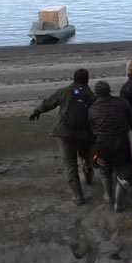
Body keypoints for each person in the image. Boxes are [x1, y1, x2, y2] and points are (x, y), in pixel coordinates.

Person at [29, 69, 96, 205]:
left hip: (65, 134)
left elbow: (49, 103)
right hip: (85, 135)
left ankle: (78, 196)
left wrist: (37, 111)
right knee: (86, 159)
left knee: (70, 164)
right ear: (87, 80)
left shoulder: (64, 91)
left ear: (74, 79)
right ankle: (89, 177)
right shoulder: (92, 96)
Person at [88, 81, 132, 212]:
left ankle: (108, 195)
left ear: (96, 94)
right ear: (109, 90)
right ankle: (119, 203)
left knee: (104, 170)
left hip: (102, 144)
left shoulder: (92, 109)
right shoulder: (122, 102)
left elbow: (93, 129)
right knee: (123, 171)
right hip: (121, 142)